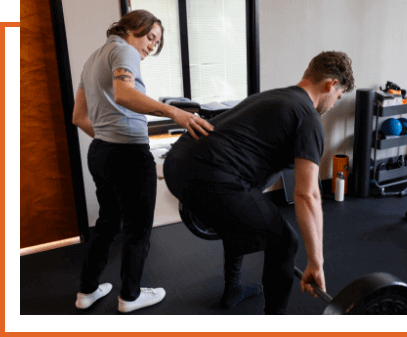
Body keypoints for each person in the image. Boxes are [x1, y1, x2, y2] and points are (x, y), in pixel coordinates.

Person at [163, 51, 355, 315]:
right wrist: (316, 262)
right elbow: (307, 195)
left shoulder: (276, 96)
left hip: (178, 161)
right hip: (210, 174)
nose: (334, 104)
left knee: (242, 214)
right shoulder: (308, 117)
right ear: (331, 84)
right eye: (339, 96)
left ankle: (233, 289)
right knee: (285, 241)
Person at [72, 10, 214, 313]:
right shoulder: (124, 50)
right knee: (138, 229)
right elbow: (124, 94)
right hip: (128, 155)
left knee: (108, 224)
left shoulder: (92, 59)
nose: (151, 46)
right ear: (131, 27)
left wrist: (109, 137)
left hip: (99, 152)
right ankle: (131, 296)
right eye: (150, 37)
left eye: (156, 43)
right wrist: (175, 112)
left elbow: (78, 117)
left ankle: (86, 291)